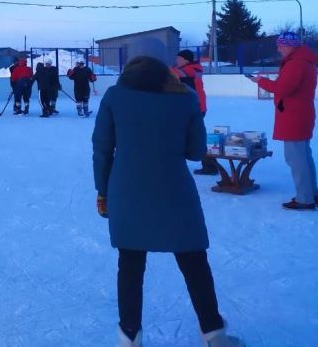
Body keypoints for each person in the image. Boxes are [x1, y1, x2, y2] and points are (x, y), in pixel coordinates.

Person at [92, 56, 243, 347]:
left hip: (127, 191)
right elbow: (197, 152)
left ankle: (129, 337)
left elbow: (101, 148)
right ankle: (215, 334)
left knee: (131, 264)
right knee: (194, 261)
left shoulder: (114, 96)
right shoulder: (184, 98)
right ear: (164, 74)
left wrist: (103, 191)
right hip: (174, 192)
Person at [249, 32, 318, 211]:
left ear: (290, 46)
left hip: (294, 116)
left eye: (281, 45)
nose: (278, 49)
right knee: (303, 156)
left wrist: (261, 81)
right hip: (300, 114)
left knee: (296, 158)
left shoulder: (296, 64)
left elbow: (283, 88)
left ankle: (305, 198)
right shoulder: (304, 62)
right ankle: (311, 193)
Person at [172, 49, 216, 176]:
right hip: (195, 107)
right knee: (194, 136)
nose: (177, 61)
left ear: (186, 60)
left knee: (193, 136)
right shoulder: (192, 69)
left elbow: (172, 73)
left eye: (179, 58)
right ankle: (209, 164)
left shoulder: (191, 70)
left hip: (195, 108)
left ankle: (209, 164)